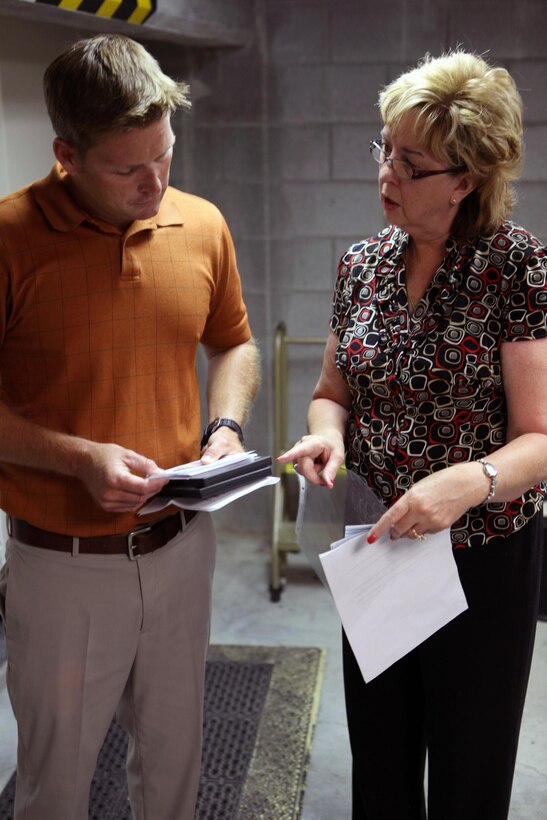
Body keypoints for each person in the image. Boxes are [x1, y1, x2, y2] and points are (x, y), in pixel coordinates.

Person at [279, 50, 547, 819]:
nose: (386, 174)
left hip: (481, 555)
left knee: (469, 768)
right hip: (381, 546)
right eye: (383, 150)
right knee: (382, 757)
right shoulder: (360, 264)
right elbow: (331, 391)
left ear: (464, 179)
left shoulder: (515, 266)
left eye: (411, 162)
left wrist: (467, 483)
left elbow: (537, 436)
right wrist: (326, 434)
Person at [0, 34, 259, 820]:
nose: (155, 184)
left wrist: (225, 426)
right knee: (55, 788)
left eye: (165, 157)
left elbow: (234, 342)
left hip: (182, 549)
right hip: (63, 570)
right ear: (67, 156)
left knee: (176, 769)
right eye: (127, 169)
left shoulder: (203, 224)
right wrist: (76, 459)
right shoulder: (9, 239)